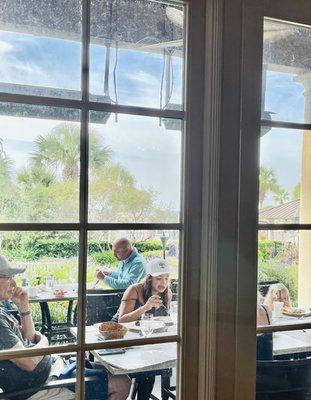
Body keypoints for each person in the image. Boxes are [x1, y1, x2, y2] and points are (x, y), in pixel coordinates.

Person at [0, 254, 130, 400]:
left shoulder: (2, 310)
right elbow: (29, 362)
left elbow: (29, 338)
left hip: (51, 369)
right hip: (41, 386)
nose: (13, 283)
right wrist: (45, 342)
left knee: (116, 373)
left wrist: (23, 306)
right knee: (122, 383)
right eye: (8, 277)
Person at [117, 258, 172, 323]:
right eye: (159, 278)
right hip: (119, 330)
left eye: (166, 278)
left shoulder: (168, 293)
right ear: (149, 278)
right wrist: (145, 307)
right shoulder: (134, 290)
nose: (163, 283)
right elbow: (121, 320)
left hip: (147, 330)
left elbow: (166, 318)